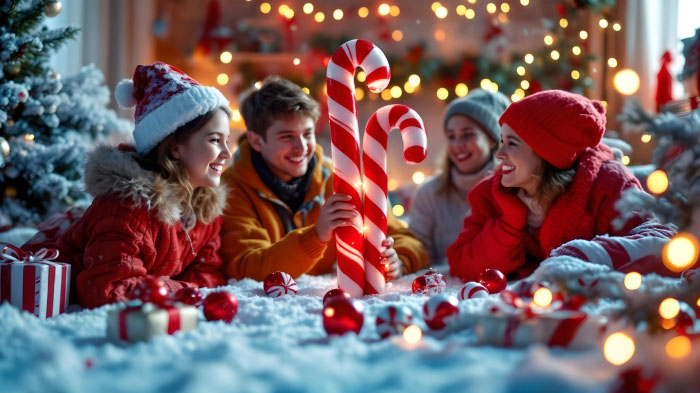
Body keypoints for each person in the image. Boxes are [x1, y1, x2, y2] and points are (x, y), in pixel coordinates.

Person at [22, 62, 231, 308]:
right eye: (216, 140)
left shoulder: (204, 210)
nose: (227, 153)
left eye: (226, 141)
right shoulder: (127, 207)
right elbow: (106, 291)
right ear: (175, 147)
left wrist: (166, 286)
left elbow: (211, 275)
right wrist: (180, 288)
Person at [446, 90, 676, 282]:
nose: (500, 154)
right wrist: (509, 224)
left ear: (546, 152)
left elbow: (659, 242)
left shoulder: (609, 184)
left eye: (512, 144)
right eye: (502, 141)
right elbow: (461, 265)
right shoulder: (494, 192)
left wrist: (575, 258)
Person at [220, 76, 428, 281]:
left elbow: (409, 241)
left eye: (307, 134)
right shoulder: (234, 188)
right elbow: (245, 267)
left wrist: (399, 261)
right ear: (256, 141)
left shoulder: (342, 179)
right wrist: (317, 235)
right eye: (286, 137)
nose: (301, 147)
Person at [409, 89, 509, 265]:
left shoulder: (514, 188)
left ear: (493, 139)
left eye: (468, 134)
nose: (457, 145)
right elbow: (418, 254)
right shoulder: (429, 194)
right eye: (451, 136)